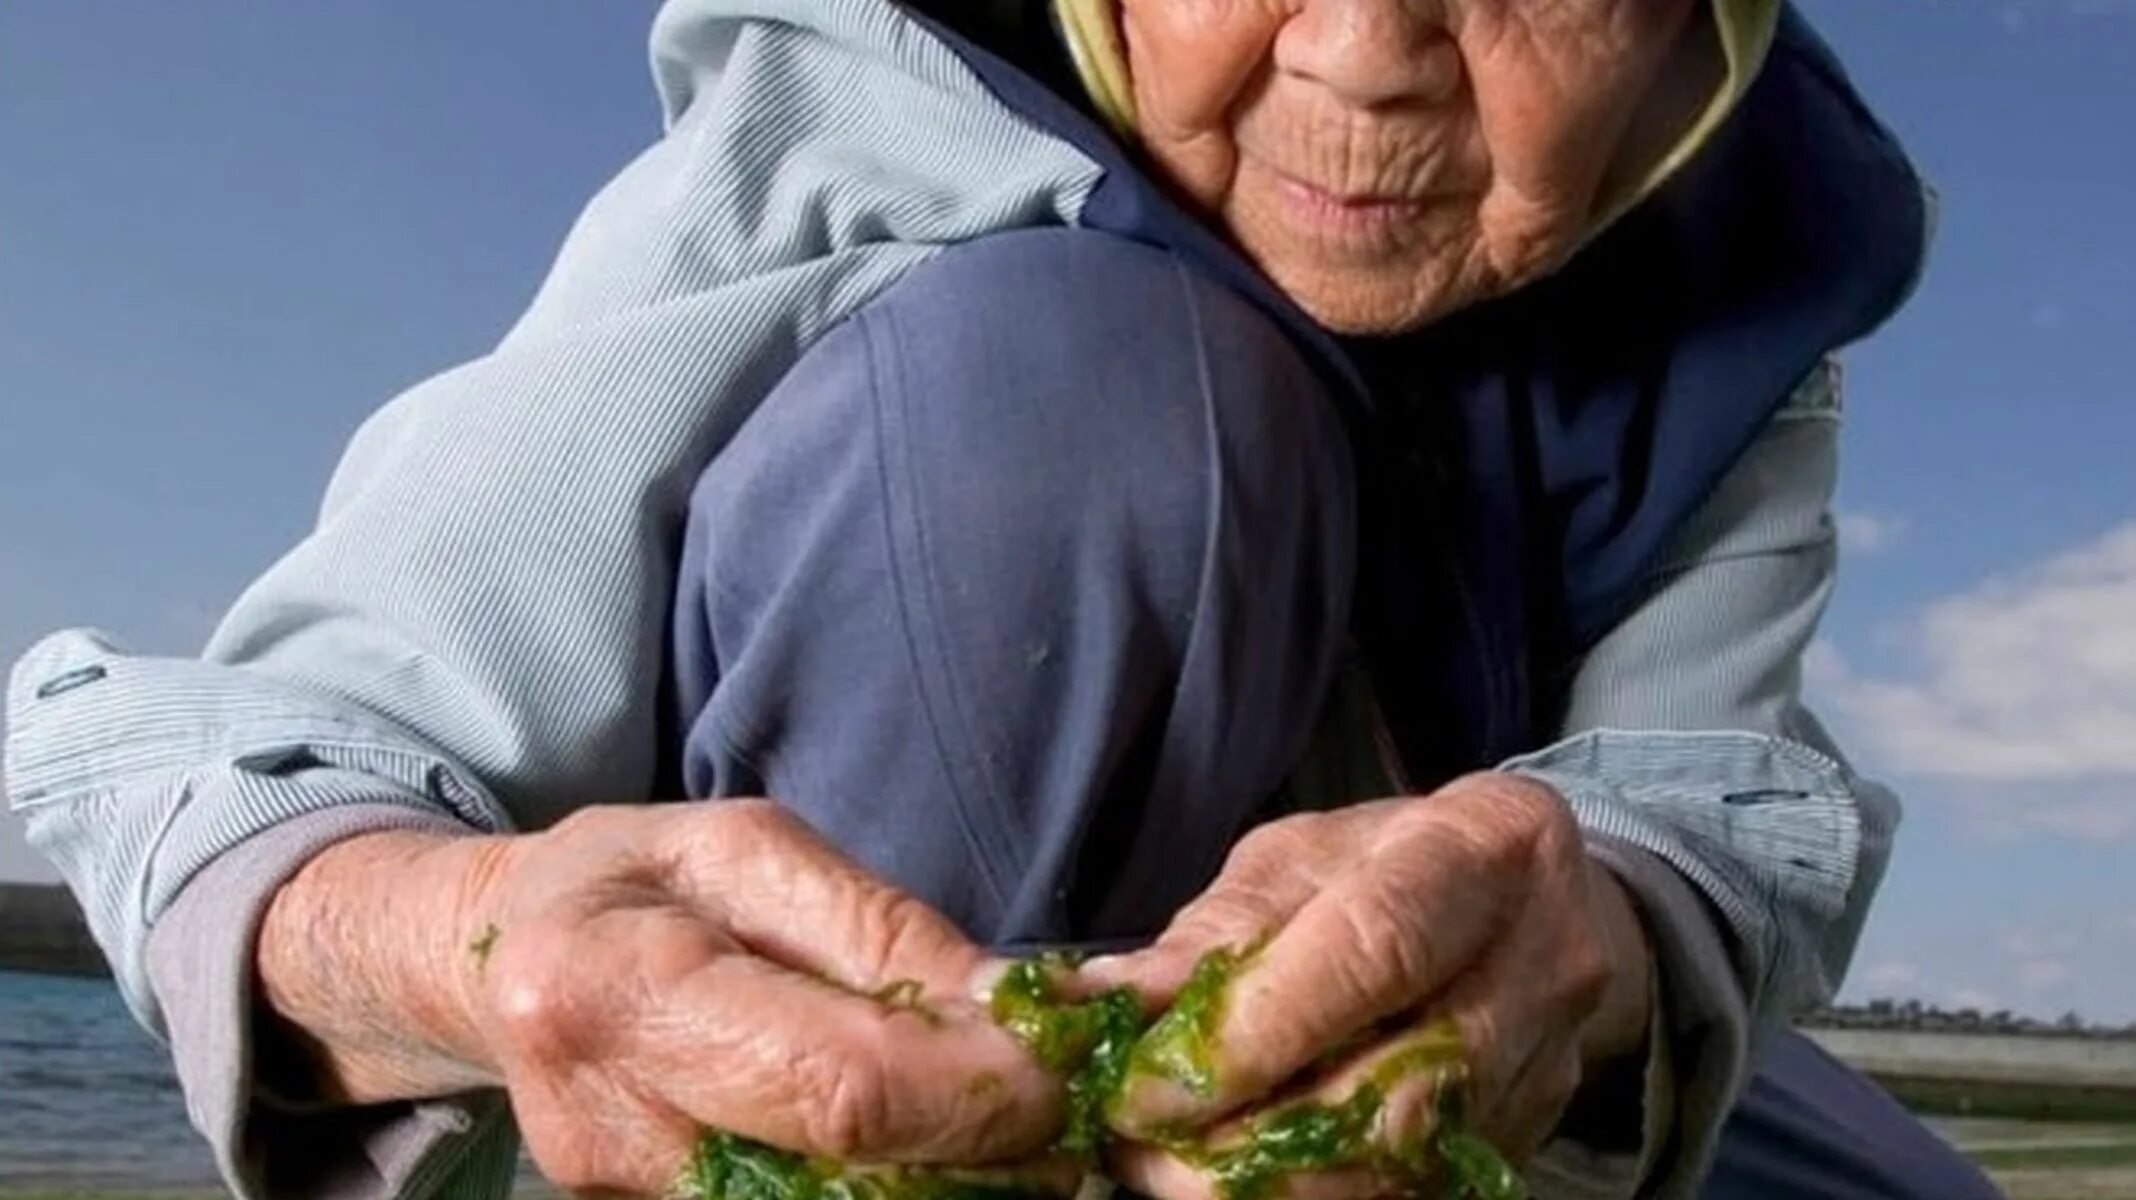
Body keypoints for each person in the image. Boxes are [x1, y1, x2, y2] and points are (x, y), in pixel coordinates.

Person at [3, 2, 2004, 1199]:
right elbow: (196, 757)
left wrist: (1614, 922)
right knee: (1088, 406)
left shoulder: (1739, 297)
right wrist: (454, 938)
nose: (1366, 61)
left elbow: (1703, 777)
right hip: (840, 1060)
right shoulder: (838, 141)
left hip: (1416, 1112)